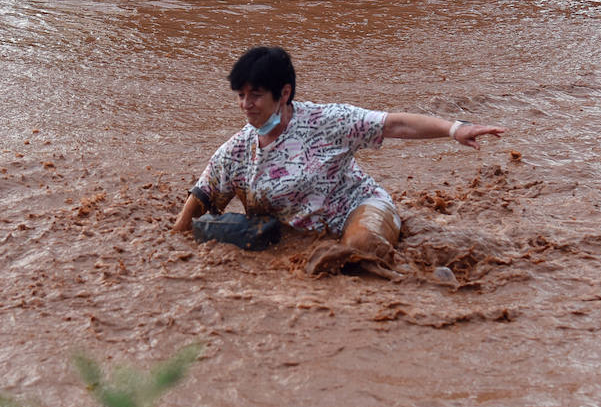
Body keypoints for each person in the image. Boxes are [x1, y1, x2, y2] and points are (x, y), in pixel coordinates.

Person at [172, 46, 505, 275]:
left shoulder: (327, 121)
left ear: (284, 94)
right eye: (241, 95)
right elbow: (200, 199)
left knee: (357, 251)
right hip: (300, 236)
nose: (246, 104)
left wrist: (455, 128)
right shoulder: (236, 152)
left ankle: (428, 278)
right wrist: (174, 250)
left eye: (256, 95)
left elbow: (394, 124)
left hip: (360, 209)